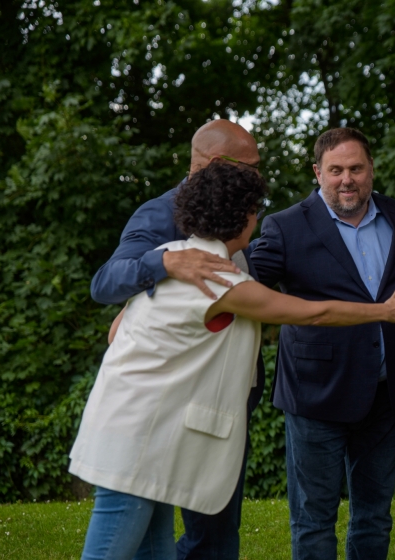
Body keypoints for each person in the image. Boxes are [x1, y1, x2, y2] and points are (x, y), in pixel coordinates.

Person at [71, 161, 395, 559]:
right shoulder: (219, 280)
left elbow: (116, 332)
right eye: (255, 211)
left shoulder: (172, 256)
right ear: (243, 218)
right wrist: (383, 311)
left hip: (142, 428)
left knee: (155, 551)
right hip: (138, 436)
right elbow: (313, 312)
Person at [89, 119, 265, 559]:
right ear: (219, 163)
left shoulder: (237, 212)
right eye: (252, 166)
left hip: (226, 401)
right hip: (176, 405)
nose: (259, 176)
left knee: (211, 530)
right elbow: (106, 282)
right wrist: (166, 264)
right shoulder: (159, 214)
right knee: (206, 537)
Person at [250, 128, 395, 560]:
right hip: (315, 391)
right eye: (336, 170)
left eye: (356, 168)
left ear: (371, 169)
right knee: (313, 520)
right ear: (317, 172)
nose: (347, 179)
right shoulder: (285, 225)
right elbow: (245, 281)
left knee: (375, 516)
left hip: (384, 391)